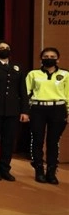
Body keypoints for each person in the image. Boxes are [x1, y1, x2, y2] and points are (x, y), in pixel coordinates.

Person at [0, 40, 29, 181]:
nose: (4, 50)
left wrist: (24, 111)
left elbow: (23, 91)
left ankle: (5, 168)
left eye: (7, 48)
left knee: (8, 141)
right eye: (1, 48)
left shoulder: (17, 68)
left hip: (12, 111)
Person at [25, 47, 68, 184]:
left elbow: (68, 95)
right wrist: (25, 111)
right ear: (41, 58)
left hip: (58, 109)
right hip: (38, 108)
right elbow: (26, 93)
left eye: (52, 56)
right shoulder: (33, 74)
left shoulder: (65, 75)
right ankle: (38, 169)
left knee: (53, 141)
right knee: (37, 139)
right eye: (46, 56)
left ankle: (51, 171)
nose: (49, 58)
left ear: (58, 59)